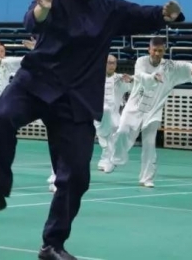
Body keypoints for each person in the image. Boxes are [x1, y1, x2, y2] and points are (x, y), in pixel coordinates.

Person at [0, 0, 185, 260]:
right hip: (35, 83)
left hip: (75, 98)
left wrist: (166, 15)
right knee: (0, 120)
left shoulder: (109, 8)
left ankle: (52, 244)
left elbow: (143, 14)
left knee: (76, 177)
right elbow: (32, 20)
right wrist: (42, 9)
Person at [110, 37, 192, 187]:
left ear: (164, 51)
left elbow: (187, 67)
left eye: (160, 51)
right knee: (122, 131)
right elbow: (141, 76)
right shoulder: (141, 61)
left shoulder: (170, 67)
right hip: (134, 106)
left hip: (154, 110)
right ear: (149, 50)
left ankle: (146, 178)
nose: (157, 53)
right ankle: (116, 158)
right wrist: (153, 77)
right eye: (154, 50)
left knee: (149, 144)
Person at [47, 54, 133, 192]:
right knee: (66, 146)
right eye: (108, 62)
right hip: (84, 117)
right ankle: (56, 177)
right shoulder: (91, 77)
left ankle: (106, 159)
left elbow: (137, 84)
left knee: (110, 134)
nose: (111, 65)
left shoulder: (119, 79)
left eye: (113, 63)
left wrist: (132, 80)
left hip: (109, 119)